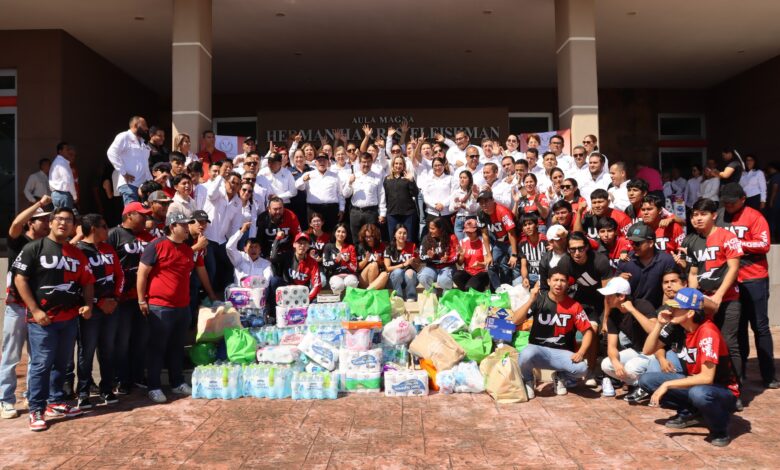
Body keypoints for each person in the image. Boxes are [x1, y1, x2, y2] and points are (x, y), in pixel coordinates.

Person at [12, 207, 95, 431]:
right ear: (50, 222)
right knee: (41, 364)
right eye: (59, 219)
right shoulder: (33, 248)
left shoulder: (77, 253)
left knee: (61, 363)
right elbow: (20, 280)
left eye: (69, 220)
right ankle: (36, 409)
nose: (63, 223)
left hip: (68, 319)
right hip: (43, 320)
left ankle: (56, 401)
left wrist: (87, 303)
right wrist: (35, 310)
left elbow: (87, 280)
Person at [639, 288, 739, 447]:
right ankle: (691, 411)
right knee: (646, 380)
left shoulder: (707, 332)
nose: (670, 310)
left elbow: (707, 378)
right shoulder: (678, 327)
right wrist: (658, 324)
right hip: (696, 383)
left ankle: (720, 428)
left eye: (676, 308)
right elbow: (647, 350)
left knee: (698, 393)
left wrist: (667, 384)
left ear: (690, 313)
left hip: (721, 390)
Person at [137, 211, 215, 403]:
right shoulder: (157, 245)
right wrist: (141, 300)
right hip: (160, 306)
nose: (188, 228)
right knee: (157, 347)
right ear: (173, 227)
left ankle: (177, 382)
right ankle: (154, 386)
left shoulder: (188, 249)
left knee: (177, 347)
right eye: (184, 225)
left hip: (182, 306)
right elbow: (142, 274)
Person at [716, 183, 778, 388]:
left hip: (754, 278)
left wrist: (736, 245)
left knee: (760, 326)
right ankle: (739, 373)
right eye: (725, 201)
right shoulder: (720, 215)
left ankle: (769, 375)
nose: (728, 205)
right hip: (730, 280)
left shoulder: (755, 216)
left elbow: (764, 244)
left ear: (743, 199)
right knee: (737, 328)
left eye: (732, 202)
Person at [0, 196, 51, 419]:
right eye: (43, 220)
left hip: (37, 309)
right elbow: (14, 225)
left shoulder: (46, 245)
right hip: (16, 307)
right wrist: (39, 205)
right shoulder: (18, 242)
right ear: (32, 222)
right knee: (10, 356)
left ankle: (32, 395)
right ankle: (6, 400)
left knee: (36, 357)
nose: (48, 223)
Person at [686, 197, 745, 387]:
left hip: (728, 299)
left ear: (714, 215)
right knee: (706, 342)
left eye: (703, 214)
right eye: (695, 215)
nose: (698, 219)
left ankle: (735, 387)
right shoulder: (692, 240)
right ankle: (711, 383)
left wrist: (719, 295)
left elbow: (734, 268)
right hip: (703, 300)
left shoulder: (727, 236)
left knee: (728, 342)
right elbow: (693, 273)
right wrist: (692, 300)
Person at [512, 268, 594, 398]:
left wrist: (581, 352)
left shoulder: (575, 306)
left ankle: (560, 376)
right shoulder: (538, 300)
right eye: (555, 280)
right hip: (538, 350)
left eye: (562, 281)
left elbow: (588, 332)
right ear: (548, 281)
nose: (559, 284)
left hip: (562, 353)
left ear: (567, 284)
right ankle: (528, 380)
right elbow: (516, 320)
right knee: (525, 355)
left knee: (582, 368)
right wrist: (530, 301)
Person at [74, 214, 123, 409]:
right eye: (104, 226)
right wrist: (97, 302)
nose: (107, 230)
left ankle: (106, 389)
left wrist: (115, 299)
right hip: (91, 310)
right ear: (93, 228)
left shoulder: (109, 249)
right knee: (86, 351)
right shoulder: (78, 251)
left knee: (108, 350)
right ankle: (84, 391)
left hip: (111, 307)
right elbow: (76, 284)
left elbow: (120, 276)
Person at [108, 202, 155, 395]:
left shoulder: (148, 237)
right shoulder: (114, 234)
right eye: (142, 215)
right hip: (122, 298)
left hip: (144, 296)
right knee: (122, 340)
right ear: (129, 215)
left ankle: (137, 375)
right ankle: (121, 379)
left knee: (141, 339)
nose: (146, 219)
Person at [557, 231, 612, 385]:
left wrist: (606, 319)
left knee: (592, 331)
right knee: (565, 328)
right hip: (580, 299)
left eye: (580, 248)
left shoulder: (600, 261)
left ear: (587, 247)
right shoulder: (565, 263)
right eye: (572, 249)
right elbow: (559, 288)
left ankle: (591, 370)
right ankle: (568, 370)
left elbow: (608, 294)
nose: (577, 253)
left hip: (601, 301)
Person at [598, 277, 657, 399]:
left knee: (630, 366)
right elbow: (611, 346)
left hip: (655, 352)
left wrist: (633, 310)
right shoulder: (613, 314)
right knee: (607, 364)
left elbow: (654, 331)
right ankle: (642, 386)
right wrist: (616, 363)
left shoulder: (643, 305)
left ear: (621, 296)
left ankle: (647, 385)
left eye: (609, 295)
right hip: (636, 351)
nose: (606, 299)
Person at [618, 222, 676, 307]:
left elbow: (672, 290)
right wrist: (618, 280)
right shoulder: (625, 260)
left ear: (650, 243)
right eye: (632, 242)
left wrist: (663, 311)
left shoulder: (666, 261)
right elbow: (614, 289)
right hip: (630, 311)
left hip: (657, 311)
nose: (633, 246)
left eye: (637, 243)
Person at [203, 171, 243, 295]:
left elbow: (235, 225)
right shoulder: (218, 194)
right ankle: (208, 296)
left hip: (221, 240)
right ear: (225, 182)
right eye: (231, 182)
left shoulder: (238, 202)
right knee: (212, 269)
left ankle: (227, 295)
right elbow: (210, 194)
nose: (233, 186)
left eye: (237, 184)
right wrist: (220, 176)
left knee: (229, 266)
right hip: (207, 238)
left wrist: (233, 244)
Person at [266, 232, 321, 319]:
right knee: (274, 281)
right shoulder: (287, 255)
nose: (302, 246)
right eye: (300, 243)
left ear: (308, 246)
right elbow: (273, 258)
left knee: (316, 302)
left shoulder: (313, 262)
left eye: (305, 244)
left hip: (301, 294)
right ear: (294, 245)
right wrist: (277, 239)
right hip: (286, 292)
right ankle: (273, 315)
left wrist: (307, 299)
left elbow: (317, 285)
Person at [476, 190, 519, 289]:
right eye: (481, 202)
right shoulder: (480, 213)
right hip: (497, 243)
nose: (484, 205)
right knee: (490, 265)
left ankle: (515, 289)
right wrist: (488, 255)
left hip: (509, 242)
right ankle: (499, 291)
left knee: (514, 264)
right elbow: (484, 234)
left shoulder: (502, 211)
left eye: (486, 201)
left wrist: (514, 254)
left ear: (492, 200)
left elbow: (511, 233)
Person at [107, 116, 152, 205]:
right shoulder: (124, 136)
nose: (147, 128)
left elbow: (144, 164)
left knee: (142, 214)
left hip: (143, 186)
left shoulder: (143, 142)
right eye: (144, 125)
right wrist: (124, 173)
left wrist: (150, 180)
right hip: (129, 185)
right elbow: (111, 153)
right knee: (132, 214)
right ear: (136, 125)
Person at [344, 152, 386, 244]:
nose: (366, 164)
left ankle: (371, 257)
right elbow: (346, 194)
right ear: (360, 163)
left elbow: (381, 195)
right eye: (363, 162)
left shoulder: (377, 177)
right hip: (355, 212)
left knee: (372, 238)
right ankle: (358, 257)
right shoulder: (354, 176)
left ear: (371, 163)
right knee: (355, 238)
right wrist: (350, 183)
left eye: (368, 162)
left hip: (371, 212)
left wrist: (382, 213)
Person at [384, 154, 419, 243]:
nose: (398, 166)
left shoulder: (408, 178)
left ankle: (408, 255)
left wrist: (411, 181)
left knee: (408, 238)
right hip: (392, 213)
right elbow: (385, 197)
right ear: (393, 165)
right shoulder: (387, 179)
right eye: (396, 163)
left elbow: (415, 193)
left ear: (403, 165)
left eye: (400, 164)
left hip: (408, 213)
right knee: (393, 238)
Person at [225, 222, 273, 286]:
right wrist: (242, 231)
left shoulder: (265, 263)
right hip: (240, 293)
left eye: (256, 247)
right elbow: (229, 247)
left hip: (258, 292)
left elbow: (267, 279)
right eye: (250, 247)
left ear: (260, 250)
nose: (253, 250)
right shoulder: (239, 258)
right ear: (245, 249)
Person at [418, 217, 458, 290]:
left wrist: (448, 259)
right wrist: (429, 257)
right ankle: (432, 295)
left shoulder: (451, 238)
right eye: (429, 228)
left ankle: (446, 297)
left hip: (447, 267)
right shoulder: (426, 238)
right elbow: (421, 256)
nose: (430, 231)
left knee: (443, 279)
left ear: (440, 229)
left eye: (433, 229)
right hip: (432, 267)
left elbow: (456, 255)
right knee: (423, 276)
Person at [452, 219, 492, 291]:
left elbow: (488, 263)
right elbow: (460, 264)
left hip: (482, 272)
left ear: (477, 231)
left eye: (471, 232)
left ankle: (474, 292)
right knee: (456, 276)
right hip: (468, 271)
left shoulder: (483, 242)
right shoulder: (463, 242)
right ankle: (467, 294)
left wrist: (480, 264)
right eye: (467, 232)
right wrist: (462, 255)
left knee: (470, 287)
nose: (469, 234)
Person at [321, 223, 359, 295]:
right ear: (334, 233)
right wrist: (336, 261)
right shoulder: (328, 247)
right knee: (338, 285)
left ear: (346, 234)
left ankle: (351, 301)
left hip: (349, 275)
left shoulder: (351, 247)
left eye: (343, 232)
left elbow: (355, 268)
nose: (340, 234)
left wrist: (348, 261)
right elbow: (325, 264)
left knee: (351, 282)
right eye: (338, 231)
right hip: (334, 275)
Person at [384, 225, 419, 301]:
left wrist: (413, 263)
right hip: (394, 279)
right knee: (398, 272)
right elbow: (387, 268)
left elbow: (418, 266)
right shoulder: (389, 248)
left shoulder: (413, 246)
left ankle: (411, 297)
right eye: (399, 233)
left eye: (404, 233)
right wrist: (404, 264)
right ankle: (398, 297)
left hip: (409, 279)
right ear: (394, 234)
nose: (402, 235)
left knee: (410, 272)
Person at [518, 212, 547, 289]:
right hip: (532, 276)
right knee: (516, 283)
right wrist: (525, 278)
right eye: (525, 225)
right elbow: (523, 265)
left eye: (530, 224)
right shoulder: (522, 244)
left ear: (537, 225)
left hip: (546, 275)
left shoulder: (546, 241)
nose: (528, 227)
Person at [356, 224, 388, 290]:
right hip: (363, 278)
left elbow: (386, 266)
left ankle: (369, 291)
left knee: (385, 274)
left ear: (375, 236)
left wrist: (379, 261)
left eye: (371, 236)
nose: (368, 239)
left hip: (377, 278)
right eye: (366, 237)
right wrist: (365, 260)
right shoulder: (360, 247)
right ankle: (371, 289)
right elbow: (357, 268)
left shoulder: (382, 246)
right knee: (373, 264)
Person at [537, 224, 568, 291]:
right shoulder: (545, 260)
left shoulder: (574, 253)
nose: (563, 240)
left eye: (564, 237)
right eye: (559, 239)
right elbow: (543, 286)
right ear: (550, 242)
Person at [450, 170, 479, 241]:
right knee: (460, 243)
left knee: (469, 241)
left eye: (465, 178)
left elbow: (475, 208)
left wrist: (463, 206)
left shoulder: (474, 191)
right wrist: (456, 207)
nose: (462, 179)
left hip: (470, 219)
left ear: (470, 179)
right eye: (461, 177)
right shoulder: (456, 192)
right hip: (459, 220)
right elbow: (450, 209)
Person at [49, 142, 78, 210]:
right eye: (66, 149)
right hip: (63, 195)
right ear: (60, 151)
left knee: (59, 217)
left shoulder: (58, 161)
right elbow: (68, 181)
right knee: (66, 218)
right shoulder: (62, 162)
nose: (68, 152)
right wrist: (74, 196)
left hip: (57, 194)